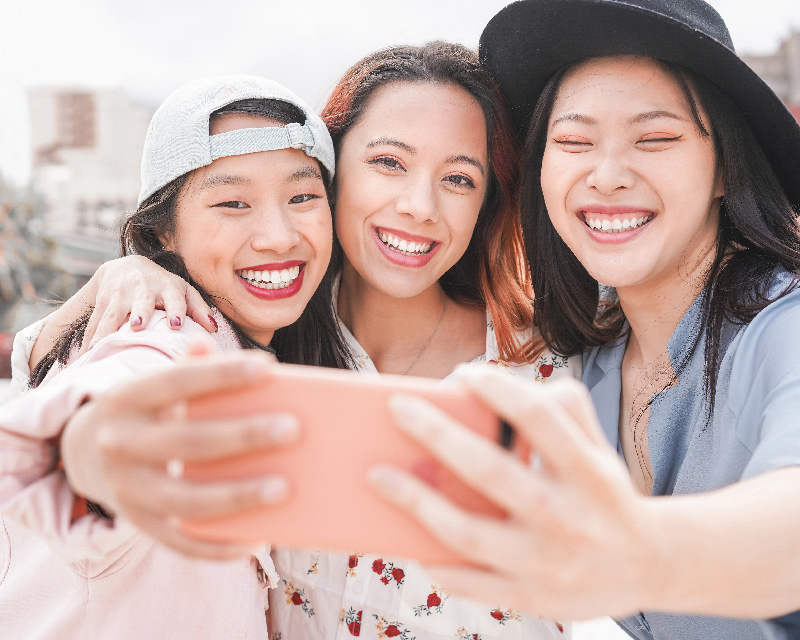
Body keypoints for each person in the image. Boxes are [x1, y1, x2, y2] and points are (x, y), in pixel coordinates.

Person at [9, 44, 574, 639]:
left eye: (459, 178)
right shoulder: (239, 345)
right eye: (388, 162)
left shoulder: (552, 373)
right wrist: (96, 439)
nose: (418, 206)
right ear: (336, 175)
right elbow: (108, 395)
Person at [366, 1, 800, 639]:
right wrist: (162, 264)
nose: (607, 175)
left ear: (725, 167)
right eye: (573, 142)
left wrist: (638, 552)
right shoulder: (578, 357)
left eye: (655, 139)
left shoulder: (781, 320)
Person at [0, 74, 353, 638]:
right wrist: (92, 448)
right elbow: (79, 427)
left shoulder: (266, 354)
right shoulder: (168, 344)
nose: (278, 235)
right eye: (233, 202)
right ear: (164, 230)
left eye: (303, 197)